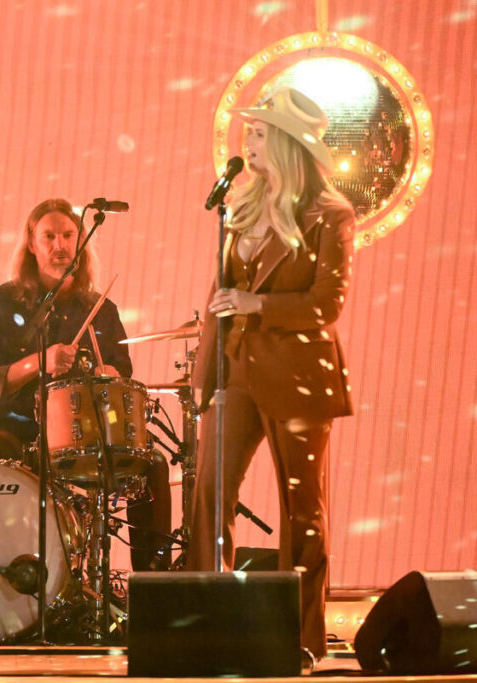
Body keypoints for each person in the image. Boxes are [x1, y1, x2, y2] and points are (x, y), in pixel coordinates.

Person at [187, 87, 356, 660]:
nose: (248, 140)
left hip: (300, 376)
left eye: (259, 133)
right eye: (249, 131)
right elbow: (218, 295)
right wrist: (203, 377)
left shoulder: (331, 215)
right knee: (209, 495)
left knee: (301, 509)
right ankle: (202, 624)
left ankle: (302, 639)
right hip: (237, 371)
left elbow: (326, 304)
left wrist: (259, 306)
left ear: (285, 143)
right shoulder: (239, 206)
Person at [0, 198, 171, 571]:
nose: (59, 245)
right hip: (14, 432)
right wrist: (39, 362)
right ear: (31, 242)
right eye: (49, 236)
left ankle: (152, 588)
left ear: (79, 241)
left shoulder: (102, 308)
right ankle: (1, 577)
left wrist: (108, 373)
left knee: (152, 463)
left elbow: (123, 376)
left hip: (82, 437)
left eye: (67, 235)